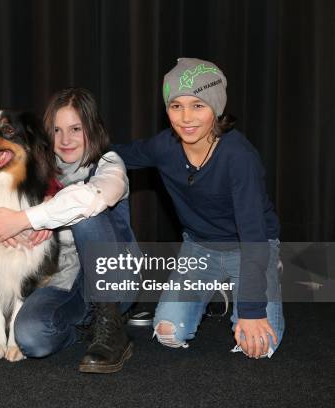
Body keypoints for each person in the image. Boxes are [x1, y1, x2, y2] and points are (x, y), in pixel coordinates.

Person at [115, 57, 284, 358]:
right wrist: (69, 162)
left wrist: (252, 310)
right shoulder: (164, 146)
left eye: (198, 105)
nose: (186, 118)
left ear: (216, 108)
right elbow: (117, 155)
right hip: (200, 248)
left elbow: (253, 236)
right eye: (176, 106)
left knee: (258, 347)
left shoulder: (239, 157)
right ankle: (213, 287)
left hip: (249, 248)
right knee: (168, 333)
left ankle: (265, 274)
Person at [0, 88, 141, 373]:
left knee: (86, 217)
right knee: (30, 337)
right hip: (66, 280)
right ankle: (86, 330)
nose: (65, 140)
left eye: (76, 129)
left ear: (92, 128)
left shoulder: (109, 164)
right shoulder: (41, 167)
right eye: (57, 130)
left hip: (114, 279)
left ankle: (110, 323)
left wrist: (26, 218)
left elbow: (89, 200)